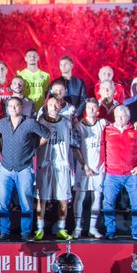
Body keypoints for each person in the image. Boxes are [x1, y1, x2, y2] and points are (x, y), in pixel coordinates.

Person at [0, 96, 47, 240]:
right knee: (3, 203)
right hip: (5, 168)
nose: (13, 108)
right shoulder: (2, 123)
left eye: (16, 105)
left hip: (24, 168)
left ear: (21, 107)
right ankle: (4, 231)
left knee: (26, 202)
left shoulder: (30, 123)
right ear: (7, 109)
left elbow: (46, 134)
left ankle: (25, 232)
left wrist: (35, 149)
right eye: (10, 105)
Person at [35, 95, 83, 240]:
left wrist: (80, 163)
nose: (54, 108)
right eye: (51, 105)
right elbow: (33, 145)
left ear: (61, 106)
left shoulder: (67, 123)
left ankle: (61, 229)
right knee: (41, 198)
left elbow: (74, 145)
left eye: (57, 105)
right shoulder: (40, 122)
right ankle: (39, 229)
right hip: (44, 164)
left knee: (63, 198)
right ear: (46, 106)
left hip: (62, 165)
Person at [100, 105, 137, 241]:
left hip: (132, 174)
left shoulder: (136, 130)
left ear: (128, 117)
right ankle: (110, 230)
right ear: (114, 117)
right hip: (112, 174)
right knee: (108, 203)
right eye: (118, 116)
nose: (121, 119)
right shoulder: (106, 130)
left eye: (123, 116)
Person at [73, 99, 108, 238]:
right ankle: (77, 227)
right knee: (80, 196)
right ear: (85, 109)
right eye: (89, 108)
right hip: (83, 167)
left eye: (94, 107)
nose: (92, 110)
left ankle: (93, 228)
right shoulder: (78, 126)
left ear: (98, 109)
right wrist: (84, 165)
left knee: (97, 196)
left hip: (99, 168)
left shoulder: (103, 123)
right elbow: (75, 148)